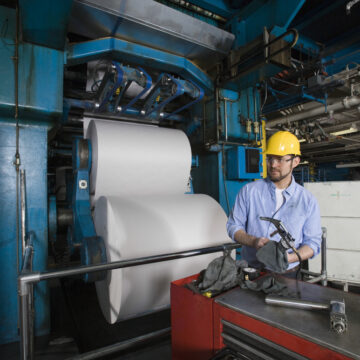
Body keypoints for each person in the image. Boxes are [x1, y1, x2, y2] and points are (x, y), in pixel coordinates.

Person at [226, 131, 322, 274]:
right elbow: (233, 227)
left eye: (279, 159)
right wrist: (253, 241)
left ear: (295, 161)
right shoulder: (249, 192)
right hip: (251, 271)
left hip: (288, 273)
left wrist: (287, 259)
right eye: (270, 158)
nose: (273, 164)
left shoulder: (307, 200)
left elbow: (312, 244)